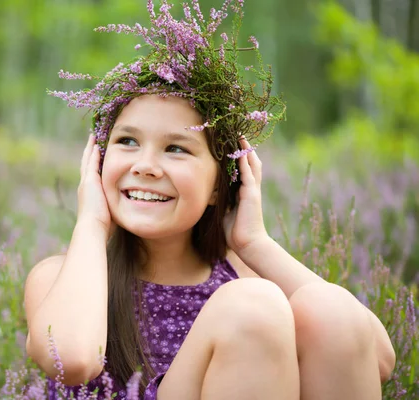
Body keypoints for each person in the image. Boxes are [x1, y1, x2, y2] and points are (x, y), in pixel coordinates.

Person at [24, 1, 396, 399]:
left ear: (220, 184)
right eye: (127, 141)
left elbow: (376, 359)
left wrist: (256, 245)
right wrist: (92, 223)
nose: (146, 166)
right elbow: (75, 359)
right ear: (97, 161)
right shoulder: (59, 277)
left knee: (322, 306)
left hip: (247, 291)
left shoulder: (243, 279)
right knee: (250, 306)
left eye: (176, 149)